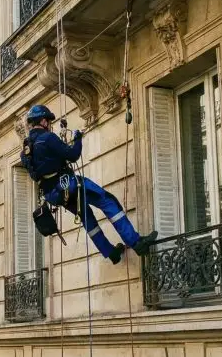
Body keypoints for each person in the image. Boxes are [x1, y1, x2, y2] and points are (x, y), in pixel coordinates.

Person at [20, 105, 158, 264]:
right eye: (49, 122)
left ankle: (111, 252)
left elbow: (38, 171)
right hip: (68, 185)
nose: (50, 125)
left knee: (87, 217)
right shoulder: (48, 138)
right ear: (43, 121)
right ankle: (136, 242)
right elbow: (72, 155)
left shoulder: (26, 151)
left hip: (53, 195)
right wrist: (78, 139)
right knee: (106, 200)